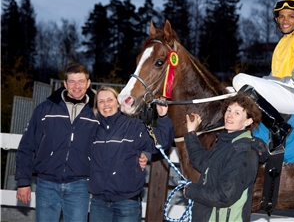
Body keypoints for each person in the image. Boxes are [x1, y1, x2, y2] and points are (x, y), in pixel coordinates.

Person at [15, 64, 148, 222]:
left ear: (88, 83)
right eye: (72, 81)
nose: (76, 86)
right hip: (47, 184)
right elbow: (27, 146)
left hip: (79, 186)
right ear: (65, 84)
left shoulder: (97, 113)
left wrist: (139, 154)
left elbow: (116, 137)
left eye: (80, 81)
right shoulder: (45, 110)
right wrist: (23, 181)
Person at [233, 0, 294, 151]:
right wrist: (264, 81)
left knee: (239, 80)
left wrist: (264, 81)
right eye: (281, 16)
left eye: (291, 16)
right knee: (229, 92)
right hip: (283, 93)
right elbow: (275, 78)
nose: (285, 21)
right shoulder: (283, 42)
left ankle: (279, 128)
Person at [88, 86, 174, 222]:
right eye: (101, 101)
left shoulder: (133, 126)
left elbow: (161, 143)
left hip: (127, 202)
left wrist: (162, 116)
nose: (106, 105)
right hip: (99, 203)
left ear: (118, 103)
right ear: (96, 106)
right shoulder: (92, 129)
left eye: (110, 100)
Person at [183, 93, 267, 222]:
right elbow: (202, 162)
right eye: (228, 110)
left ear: (248, 121)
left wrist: (191, 191)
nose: (229, 115)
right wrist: (191, 134)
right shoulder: (226, 143)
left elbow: (224, 196)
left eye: (237, 113)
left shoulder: (243, 152)